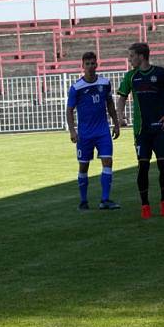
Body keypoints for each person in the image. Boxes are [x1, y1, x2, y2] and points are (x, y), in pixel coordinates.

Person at [116, 42, 164, 219]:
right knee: (143, 167)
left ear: (141, 56)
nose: (130, 59)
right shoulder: (131, 77)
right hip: (141, 130)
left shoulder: (162, 73)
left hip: (160, 128)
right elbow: (121, 98)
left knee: (163, 166)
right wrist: (120, 116)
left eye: (132, 56)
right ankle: (145, 205)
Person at [66, 51, 121, 210]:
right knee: (84, 166)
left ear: (97, 64)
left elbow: (110, 104)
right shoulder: (76, 88)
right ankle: (83, 201)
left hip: (102, 131)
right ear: (82, 66)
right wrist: (72, 131)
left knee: (108, 162)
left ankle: (105, 200)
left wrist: (116, 123)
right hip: (85, 134)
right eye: (87, 64)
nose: (90, 66)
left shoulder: (104, 83)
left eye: (92, 63)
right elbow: (69, 110)